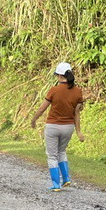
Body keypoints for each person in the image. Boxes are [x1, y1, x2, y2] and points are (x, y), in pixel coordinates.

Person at [30, 62, 85, 192]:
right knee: (61, 151)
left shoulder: (54, 90)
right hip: (68, 127)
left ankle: (56, 184)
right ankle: (66, 178)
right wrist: (79, 131)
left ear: (60, 76)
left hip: (53, 126)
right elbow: (77, 112)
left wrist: (33, 120)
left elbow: (42, 108)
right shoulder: (78, 91)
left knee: (52, 155)